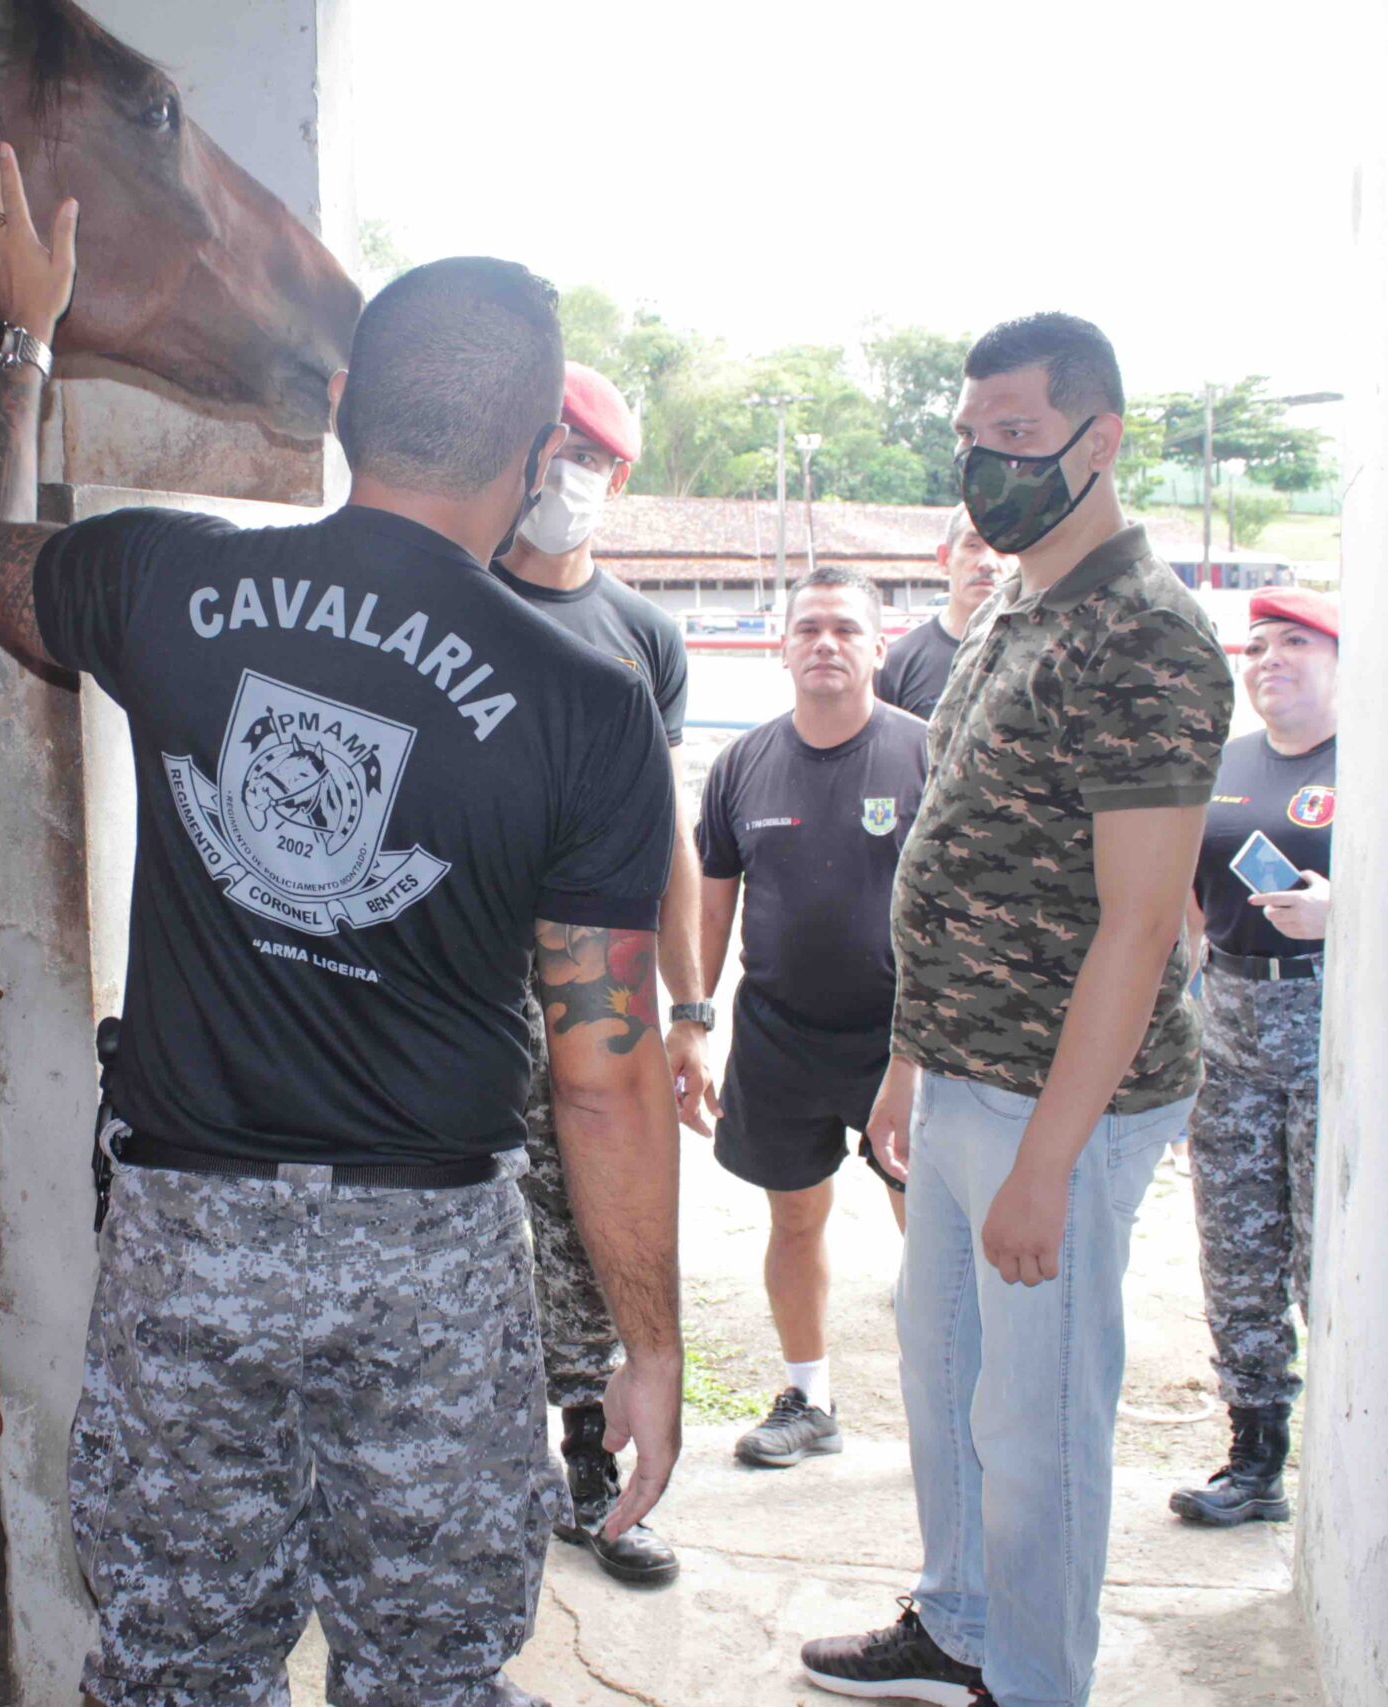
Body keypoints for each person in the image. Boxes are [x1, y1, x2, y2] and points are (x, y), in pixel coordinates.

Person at [0, 148, 685, 1706]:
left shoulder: (165, 580)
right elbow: (605, 1074)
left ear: (343, 407)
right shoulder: (587, 704)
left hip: (188, 1245)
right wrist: (650, 1344)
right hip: (430, 1264)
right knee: (429, 1677)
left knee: (178, 1669)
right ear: (540, 451)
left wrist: (21, 344)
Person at [801, 313, 1234, 1707]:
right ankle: (959, 1623)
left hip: (1062, 1101)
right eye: (970, 434)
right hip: (962, 1075)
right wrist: (908, 1060)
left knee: (1038, 1425)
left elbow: (1140, 924)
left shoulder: (1145, 636)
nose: (983, 461)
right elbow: (966, 839)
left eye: (1016, 435)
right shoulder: (1016, 602)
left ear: (1098, 440)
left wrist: (1048, 1161)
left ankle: (1037, 1681)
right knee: (946, 1375)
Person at [492, 361, 703, 1585]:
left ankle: (589, 1467)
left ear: (616, 479)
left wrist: (693, 1010)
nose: (567, 476)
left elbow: (666, 837)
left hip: (589, 988)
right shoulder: (459, 594)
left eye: (590, 460)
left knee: (587, 1228)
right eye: (552, 450)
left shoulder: (640, 637)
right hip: (465, 988)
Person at [688, 566, 925, 1471]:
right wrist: (692, 1019)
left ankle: (950, 1401)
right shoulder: (742, 764)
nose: (826, 643)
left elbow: (959, 913)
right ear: (781, 646)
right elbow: (712, 909)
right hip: (779, 1036)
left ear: (879, 647)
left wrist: (920, 1051)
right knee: (793, 1220)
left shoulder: (927, 754)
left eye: (846, 628)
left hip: (900, 1042)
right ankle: (809, 1397)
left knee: (930, 1230)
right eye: (808, 628)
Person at [1169, 587, 1337, 1528]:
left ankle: (1346, 1459)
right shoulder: (1225, 764)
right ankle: (1255, 1456)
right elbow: (1192, 895)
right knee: (1236, 1249)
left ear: (1341, 660)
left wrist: (1341, 912)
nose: (1270, 659)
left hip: (1328, 1031)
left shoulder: (1372, 764)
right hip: (1230, 1030)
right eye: (1258, 645)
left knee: (1326, 1256)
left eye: (1296, 643)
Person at [876, 505, 1009, 719]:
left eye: (1003, 548)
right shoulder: (899, 662)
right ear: (945, 557)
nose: (987, 563)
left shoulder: (1041, 655)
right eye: (973, 545)